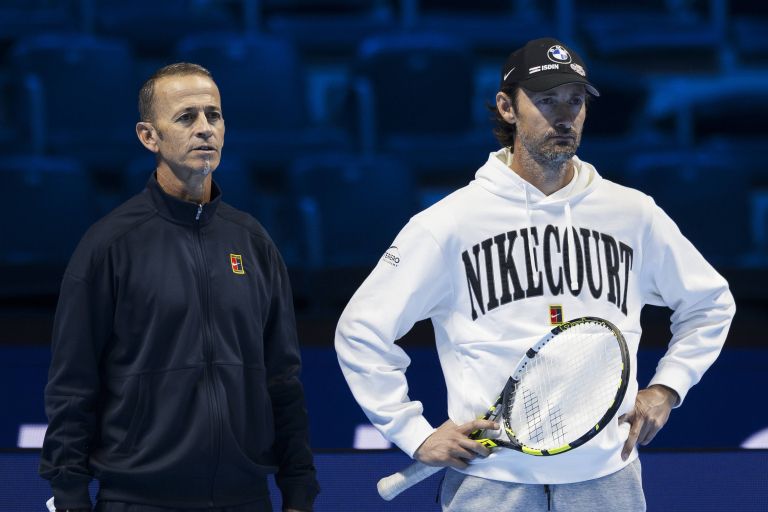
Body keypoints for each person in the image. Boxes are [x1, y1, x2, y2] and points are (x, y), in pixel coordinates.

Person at [335, 38, 735, 511]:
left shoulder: (633, 214)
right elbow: (361, 331)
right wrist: (414, 433)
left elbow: (710, 304)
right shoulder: (449, 223)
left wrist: (668, 388)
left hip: (608, 478)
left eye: (576, 100)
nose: (564, 116)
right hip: (490, 482)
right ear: (507, 107)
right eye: (546, 100)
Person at [40, 63, 318, 512]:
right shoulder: (108, 246)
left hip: (245, 498)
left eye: (214, 115)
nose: (205, 129)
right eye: (186, 117)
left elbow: (282, 380)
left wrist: (299, 491)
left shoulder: (253, 242)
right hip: (137, 499)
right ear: (149, 137)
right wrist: (69, 495)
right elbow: (73, 387)